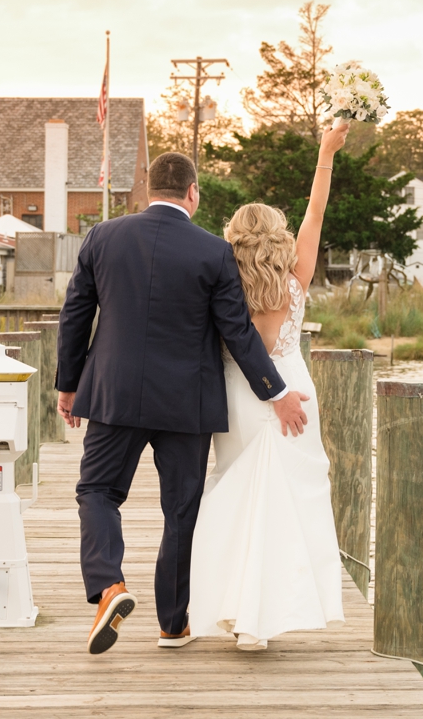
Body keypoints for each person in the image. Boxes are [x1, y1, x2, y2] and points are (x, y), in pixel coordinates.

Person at [56, 151, 312, 655]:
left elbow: (75, 314)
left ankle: (110, 585)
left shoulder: (102, 237)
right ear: (193, 192)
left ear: (149, 189)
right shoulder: (213, 251)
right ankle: (173, 626)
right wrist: (277, 393)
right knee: (182, 512)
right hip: (187, 402)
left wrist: (70, 385)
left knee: (98, 492)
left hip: (114, 393)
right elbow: (237, 333)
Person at [187, 122, 350, 650]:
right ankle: (262, 618)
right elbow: (317, 212)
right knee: (285, 503)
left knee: (236, 495)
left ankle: (239, 613)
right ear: (278, 235)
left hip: (238, 394)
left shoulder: (221, 274)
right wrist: (326, 152)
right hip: (292, 390)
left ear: (234, 237)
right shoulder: (295, 275)